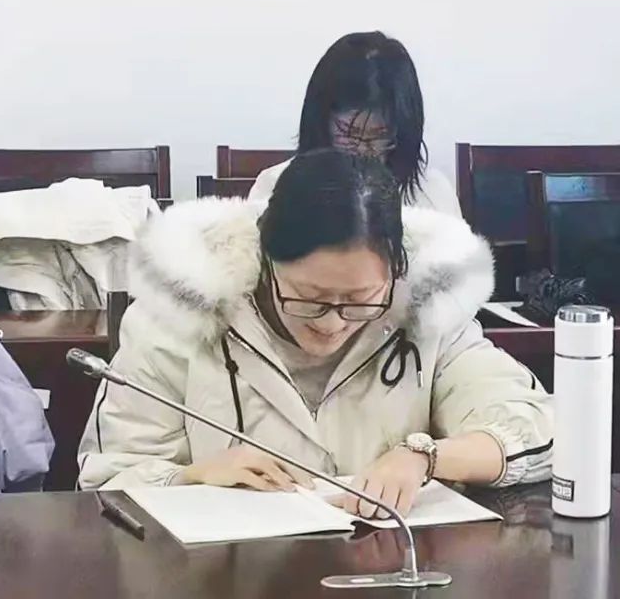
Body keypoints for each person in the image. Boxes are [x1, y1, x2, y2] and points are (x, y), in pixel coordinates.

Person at [79, 150, 553, 519]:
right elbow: (106, 481)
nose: (332, 323)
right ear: (265, 259)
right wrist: (191, 477)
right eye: (308, 298)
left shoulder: (428, 309)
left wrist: (425, 456)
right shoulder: (175, 318)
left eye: (360, 300)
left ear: (397, 271)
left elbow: (534, 427)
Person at [249, 32, 461, 218]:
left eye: (380, 136)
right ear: (321, 121)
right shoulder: (275, 186)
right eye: (350, 133)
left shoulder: (433, 194)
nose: (362, 151)